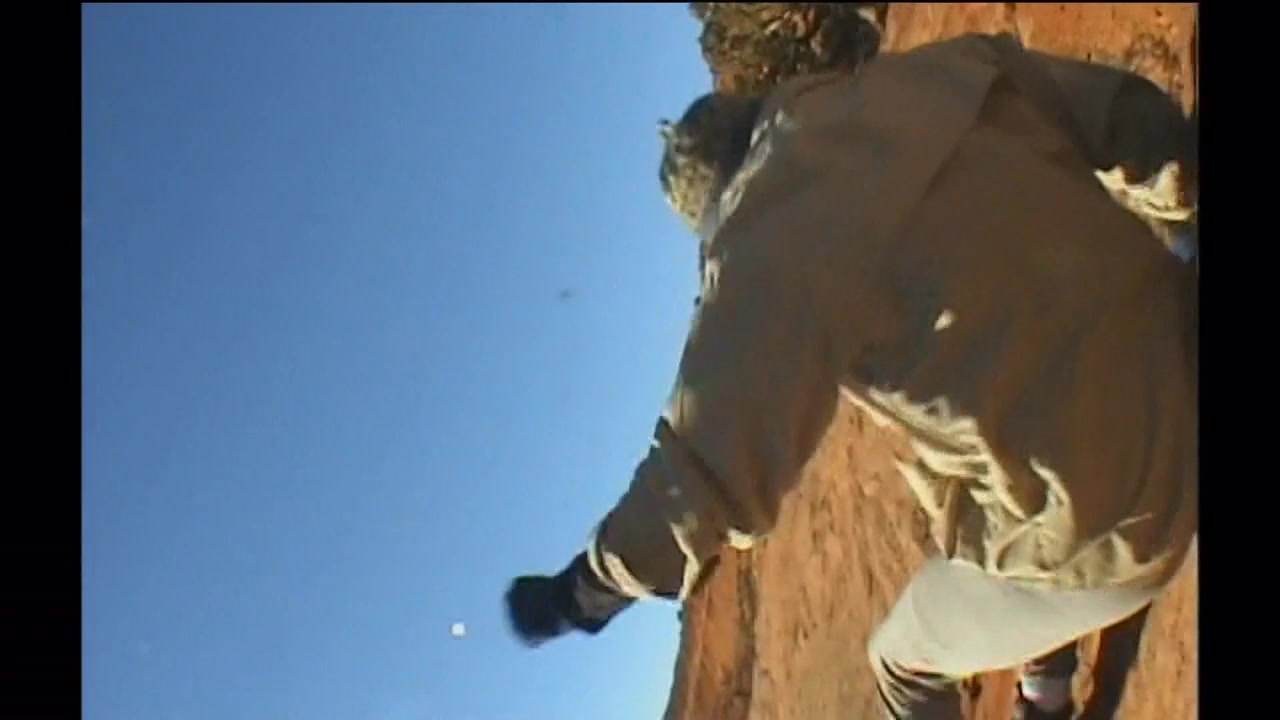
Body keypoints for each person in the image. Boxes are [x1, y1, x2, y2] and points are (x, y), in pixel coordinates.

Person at [504, 32, 1197, 720]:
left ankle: (1046, 703)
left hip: (1134, 514)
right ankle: (1047, 668)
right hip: (1183, 338)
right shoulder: (935, 74)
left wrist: (578, 595)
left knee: (901, 664)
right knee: (989, 497)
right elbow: (1126, 119)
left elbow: (702, 475)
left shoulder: (766, 242)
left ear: (716, 213)